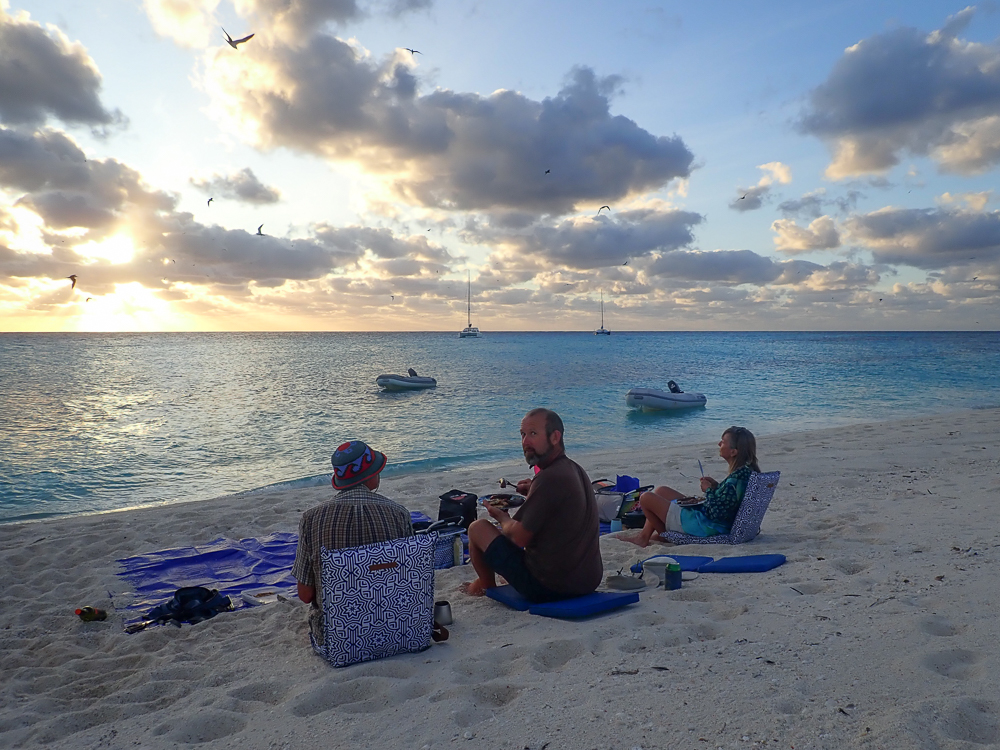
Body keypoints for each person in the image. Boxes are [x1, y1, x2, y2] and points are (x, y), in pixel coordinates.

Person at [461, 408, 603, 601]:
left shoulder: (549, 478)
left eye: (533, 433)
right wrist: (533, 491)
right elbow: (557, 506)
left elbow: (518, 538)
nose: (525, 442)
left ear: (555, 437)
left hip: (551, 586)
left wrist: (502, 517)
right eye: (523, 434)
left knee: (477, 528)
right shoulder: (574, 469)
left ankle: (485, 585)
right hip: (587, 581)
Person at [292, 440, 413, 645]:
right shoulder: (399, 513)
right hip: (395, 625)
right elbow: (408, 578)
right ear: (371, 476)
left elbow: (305, 594)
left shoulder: (311, 519)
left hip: (336, 637)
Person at [629, 426, 761, 548]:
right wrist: (716, 486)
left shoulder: (735, 480)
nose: (719, 444)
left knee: (646, 498)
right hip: (708, 520)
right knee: (661, 491)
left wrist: (708, 490)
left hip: (704, 525)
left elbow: (717, 513)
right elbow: (728, 502)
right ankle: (646, 535)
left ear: (733, 452)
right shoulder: (745, 473)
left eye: (723, 442)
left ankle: (658, 537)